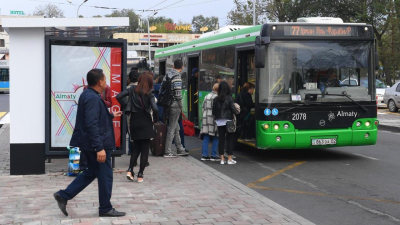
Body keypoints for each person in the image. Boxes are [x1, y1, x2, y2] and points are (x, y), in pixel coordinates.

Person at [53, 69, 125, 217]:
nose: (106, 81)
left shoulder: (88, 95)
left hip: (89, 142)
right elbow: (91, 124)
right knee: (105, 175)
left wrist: (110, 115)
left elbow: (94, 119)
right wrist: (99, 148)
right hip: (96, 145)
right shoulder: (92, 97)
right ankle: (105, 208)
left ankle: (64, 195)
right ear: (100, 82)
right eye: (105, 79)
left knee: (91, 172)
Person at [118, 72, 159, 183]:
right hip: (146, 121)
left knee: (136, 147)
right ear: (150, 82)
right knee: (145, 149)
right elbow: (155, 108)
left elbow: (118, 96)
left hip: (134, 121)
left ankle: (130, 170)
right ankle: (140, 174)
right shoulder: (149, 93)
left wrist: (126, 106)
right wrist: (155, 119)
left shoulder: (132, 89)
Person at [163, 59, 188, 157]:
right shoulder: (177, 77)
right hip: (175, 104)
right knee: (172, 128)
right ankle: (167, 151)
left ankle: (180, 149)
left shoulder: (167, 75)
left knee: (176, 127)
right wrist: (180, 105)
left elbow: (162, 89)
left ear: (173, 66)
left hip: (168, 104)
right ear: (182, 67)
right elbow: (178, 94)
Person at [212, 81, 240, 165]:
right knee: (230, 140)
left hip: (219, 121)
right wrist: (237, 110)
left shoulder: (215, 99)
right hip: (228, 120)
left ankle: (222, 159)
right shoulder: (229, 98)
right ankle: (230, 159)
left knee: (221, 139)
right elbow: (233, 109)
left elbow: (213, 111)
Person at [201, 83, 220, 161]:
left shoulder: (207, 96)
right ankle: (213, 155)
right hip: (214, 118)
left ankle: (204, 155)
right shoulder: (217, 97)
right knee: (216, 136)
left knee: (206, 137)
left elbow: (203, 107)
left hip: (206, 118)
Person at [126, 71, 139, 155]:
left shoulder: (127, 89)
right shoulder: (141, 88)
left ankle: (131, 150)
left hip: (130, 113)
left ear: (129, 79)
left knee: (131, 131)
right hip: (140, 113)